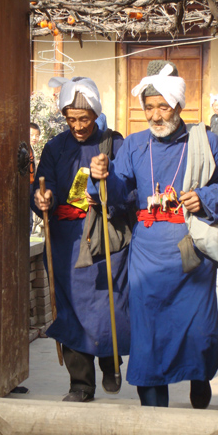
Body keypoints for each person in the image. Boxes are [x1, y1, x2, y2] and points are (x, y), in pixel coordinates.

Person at [89, 60, 218, 408]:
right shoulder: (135, 145)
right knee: (149, 335)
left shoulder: (207, 141)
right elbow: (118, 189)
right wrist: (101, 177)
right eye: (149, 107)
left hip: (191, 252)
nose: (156, 115)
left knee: (199, 330)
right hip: (148, 253)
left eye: (163, 106)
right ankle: (154, 411)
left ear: (178, 106)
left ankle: (199, 378)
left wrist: (203, 197)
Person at [30, 76, 131, 403]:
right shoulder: (55, 148)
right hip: (67, 242)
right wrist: (42, 198)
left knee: (107, 309)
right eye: (71, 119)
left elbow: (131, 188)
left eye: (84, 119)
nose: (78, 126)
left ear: (96, 115)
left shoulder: (114, 144)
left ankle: (110, 363)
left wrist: (107, 200)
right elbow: (43, 189)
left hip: (104, 241)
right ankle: (80, 384)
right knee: (70, 310)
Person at [30, 122, 41, 235]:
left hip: (32, 184)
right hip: (26, 185)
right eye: (31, 134)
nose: (34, 137)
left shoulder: (31, 150)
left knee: (30, 218)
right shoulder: (25, 149)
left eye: (37, 135)